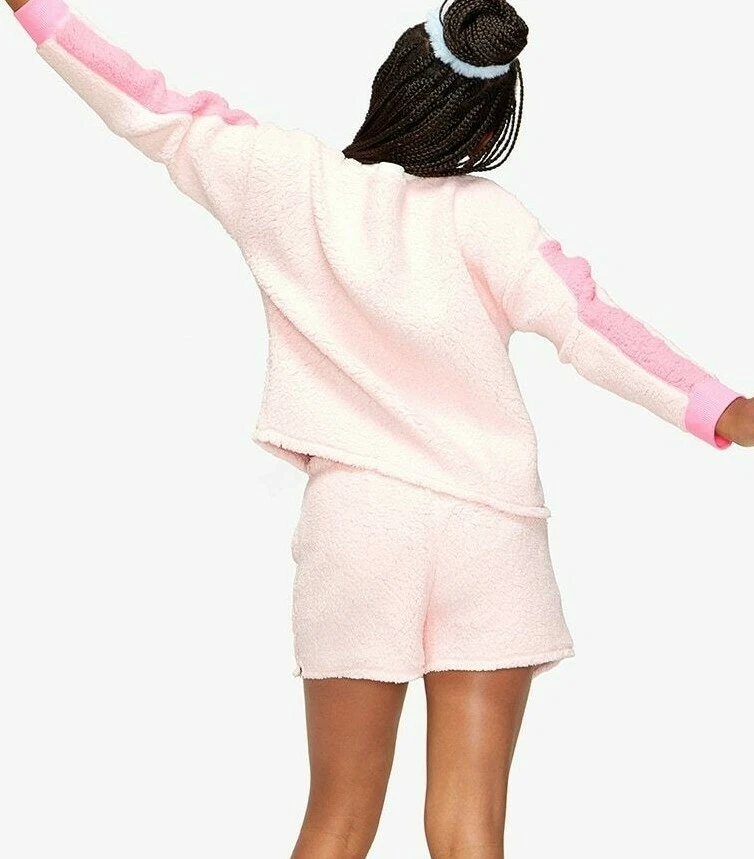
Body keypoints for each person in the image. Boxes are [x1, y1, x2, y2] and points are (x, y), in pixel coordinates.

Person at [6, 0, 753, 856]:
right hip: (488, 525)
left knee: (337, 818)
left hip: (359, 525)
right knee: (469, 829)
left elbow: (151, 106)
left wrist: (33, 8)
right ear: (487, 127)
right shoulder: (487, 217)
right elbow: (592, 325)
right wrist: (726, 408)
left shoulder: (287, 179)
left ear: (393, 83)